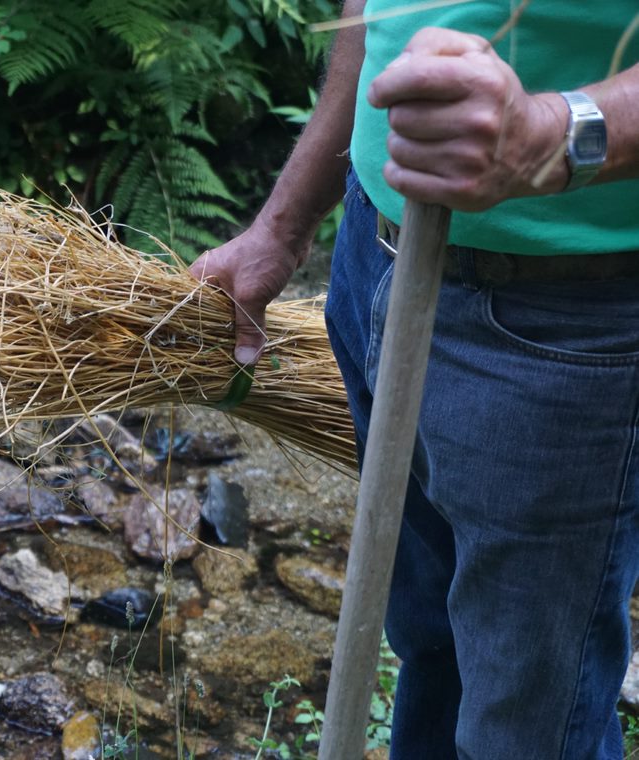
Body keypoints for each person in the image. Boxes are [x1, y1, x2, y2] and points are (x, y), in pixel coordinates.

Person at [191, 2, 639, 758]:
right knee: (430, 645)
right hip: (372, 257)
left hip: (563, 327)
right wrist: (284, 223)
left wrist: (552, 134)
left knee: (525, 732)